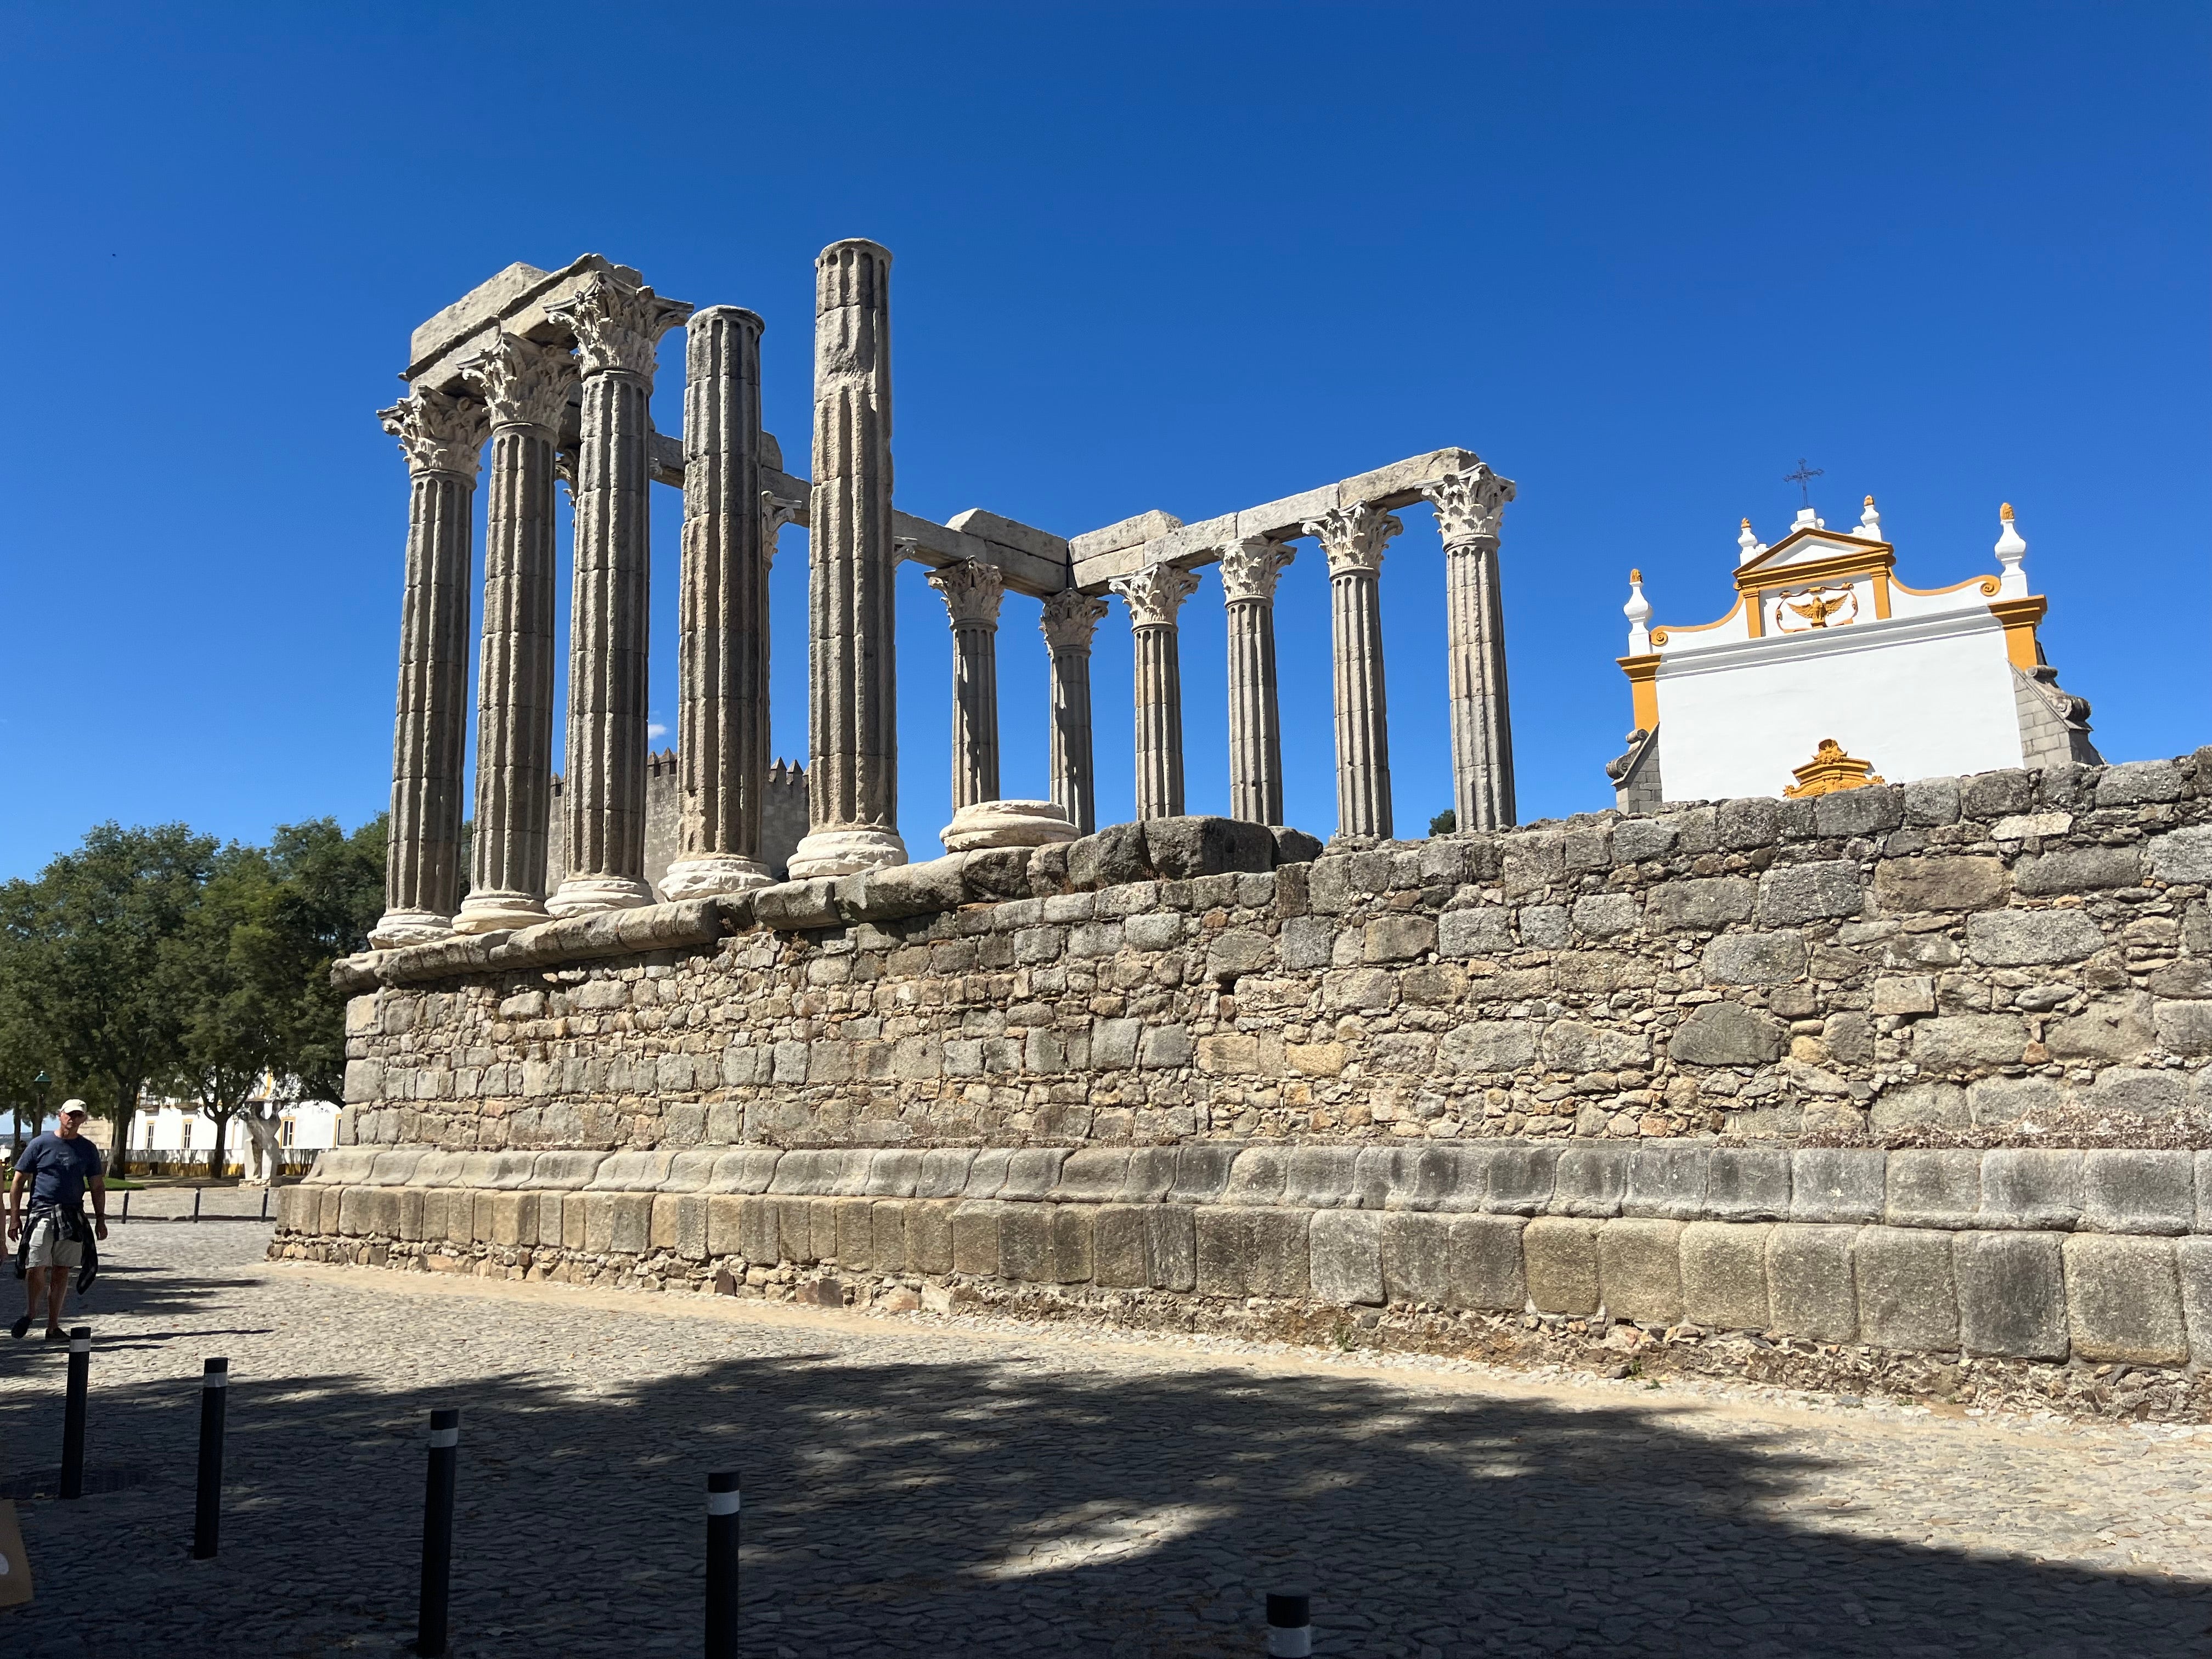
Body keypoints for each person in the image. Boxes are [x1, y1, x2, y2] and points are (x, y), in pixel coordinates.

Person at [7, 1101, 107, 1340]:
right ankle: (30, 1313)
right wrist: (14, 1217)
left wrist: (100, 1219)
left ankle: (53, 1326)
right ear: (60, 1115)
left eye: (78, 1115)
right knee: (35, 1265)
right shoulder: (40, 1144)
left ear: (84, 1119)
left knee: (62, 1270)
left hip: (72, 1215)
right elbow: (18, 1181)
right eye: (69, 1114)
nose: (73, 1118)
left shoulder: (87, 1149)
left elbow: (97, 1185)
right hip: (42, 1212)